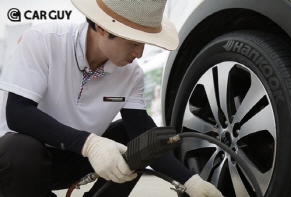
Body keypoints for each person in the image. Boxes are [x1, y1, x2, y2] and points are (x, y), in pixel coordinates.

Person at [0, 0, 224, 197]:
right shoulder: (44, 41)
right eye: (134, 42)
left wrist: (190, 182)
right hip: (22, 164)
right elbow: (18, 113)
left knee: (138, 143)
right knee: (18, 149)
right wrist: (90, 144)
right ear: (102, 27)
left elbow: (141, 133)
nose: (140, 53)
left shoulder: (131, 74)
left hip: (77, 159)